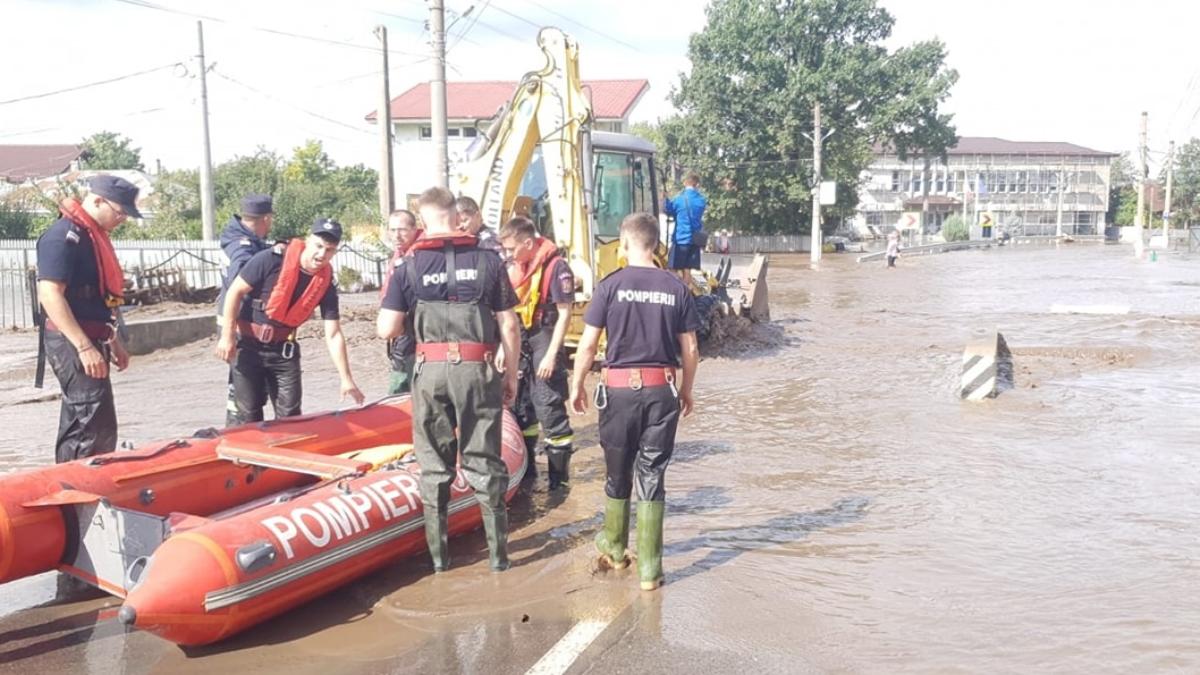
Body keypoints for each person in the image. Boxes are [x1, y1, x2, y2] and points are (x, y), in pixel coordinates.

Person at [377, 187, 521, 573]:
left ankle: (440, 564)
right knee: (485, 461)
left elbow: (387, 328)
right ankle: (499, 560)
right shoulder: (489, 261)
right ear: (457, 216)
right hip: (478, 369)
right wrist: (511, 374)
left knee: (434, 466)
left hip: (430, 371)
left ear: (422, 219)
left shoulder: (408, 265)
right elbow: (509, 324)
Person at [570, 211, 700, 591]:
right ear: (656, 245)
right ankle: (649, 570)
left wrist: (577, 385)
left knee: (617, 471)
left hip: (618, 392)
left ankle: (614, 548)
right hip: (662, 391)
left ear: (624, 244)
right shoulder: (676, 288)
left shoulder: (610, 285)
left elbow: (588, 345)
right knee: (652, 474)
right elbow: (691, 349)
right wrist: (687, 389)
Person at [215, 218, 364, 424]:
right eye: (318, 246)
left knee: (291, 416)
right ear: (308, 241)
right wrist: (227, 337)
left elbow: (333, 333)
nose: (322, 254)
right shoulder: (270, 259)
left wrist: (346, 378)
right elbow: (235, 292)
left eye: (329, 250)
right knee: (249, 413)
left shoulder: (326, 283)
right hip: (247, 347)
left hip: (284, 352)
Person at [36, 175, 139, 463]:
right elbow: (49, 295)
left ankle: (68, 480)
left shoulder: (92, 237)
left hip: (94, 336)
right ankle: (82, 486)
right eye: (120, 212)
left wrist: (113, 341)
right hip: (72, 341)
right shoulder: (63, 236)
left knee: (85, 420)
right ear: (98, 200)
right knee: (92, 425)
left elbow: (99, 297)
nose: (123, 219)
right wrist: (83, 347)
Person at [498, 216, 575, 489]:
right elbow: (508, 313)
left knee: (549, 406)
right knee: (520, 408)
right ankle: (527, 476)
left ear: (528, 243)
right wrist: (503, 347)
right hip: (521, 339)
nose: (508, 254)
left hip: (545, 336)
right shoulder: (515, 269)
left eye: (512, 248)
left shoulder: (556, 267)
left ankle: (558, 483)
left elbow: (565, 314)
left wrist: (552, 354)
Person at [217, 194, 274, 425]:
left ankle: (241, 429)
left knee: (248, 388)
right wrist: (228, 335)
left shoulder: (241, 239)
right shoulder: (241, 247)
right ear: (266, 219)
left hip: (238, 324)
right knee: (244, 390)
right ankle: (238, 433)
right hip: (237, 325)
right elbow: (241, 283)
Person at [381, 209, 422, 395]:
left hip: (413, 329)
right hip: (400, 329)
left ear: (414, 229)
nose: (396, 235)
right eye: (392, 230)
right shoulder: (400, 254)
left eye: (402, 230)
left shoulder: (420, 256)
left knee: (402, 384)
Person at [663, 171, 707, 289]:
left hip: (681, 240)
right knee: (687, 270)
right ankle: (686, 292)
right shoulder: (701, 200)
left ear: (685, 183)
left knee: (672, 269)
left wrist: (665, 198)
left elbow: (668, 210)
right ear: (697, 184)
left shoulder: (679, 199)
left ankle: (678, 292)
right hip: (695, 241)